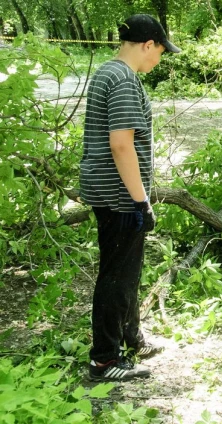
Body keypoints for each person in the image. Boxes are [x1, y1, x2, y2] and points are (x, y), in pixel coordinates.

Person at [79, 14, 181, 381]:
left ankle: (130, 336)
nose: (160, 59)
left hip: (110, 191)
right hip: (119, 196)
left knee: (128, 271)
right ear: (147, 45)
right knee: (116, 278)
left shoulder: (110, 72)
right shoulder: (123, 81)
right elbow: (122, 145)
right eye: (160, 52)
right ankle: (104, 360)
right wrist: (141, 202)